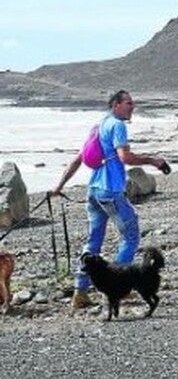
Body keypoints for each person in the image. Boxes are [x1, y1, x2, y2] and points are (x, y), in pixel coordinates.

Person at [51, 90, 169, 310]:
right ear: (116, 105)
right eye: (128, 103)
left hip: (93, 190)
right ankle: (118, 285)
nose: (132, 107)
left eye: (133, 103)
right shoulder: (117, 125)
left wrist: (59, 185)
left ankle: (80, 291)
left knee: (93, 240)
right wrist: (153, 161)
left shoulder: (98, 126)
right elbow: (125, 157)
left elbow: (79, 159)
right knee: (131, 236)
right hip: (111, 191)